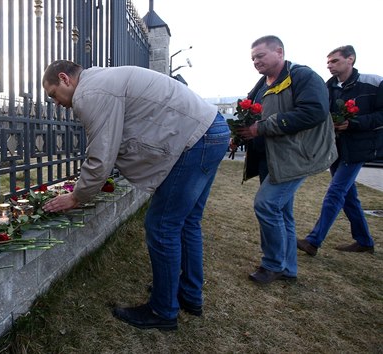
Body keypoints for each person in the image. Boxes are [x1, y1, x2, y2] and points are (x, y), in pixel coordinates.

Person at [41, 60, 229, 330]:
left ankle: (163, 311)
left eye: (53, 94)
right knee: (186, 222)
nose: (56, 103)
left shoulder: (89, 93)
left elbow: (101, 156)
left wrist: (76, 197)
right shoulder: (101, 81)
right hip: (210, 130)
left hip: (195, 139)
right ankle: (188, 295)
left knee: (162, 226)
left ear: (65, 79)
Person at [237, 36, 337, 284]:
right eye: (252, 58)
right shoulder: (262, 84)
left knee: (266, 204)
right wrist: (239, 135)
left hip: (294, 158)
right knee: (282, 212)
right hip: (269, 158)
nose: (255, 61)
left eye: (260, 56)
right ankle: (289, 269)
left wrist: (262, 128)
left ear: (279, 52)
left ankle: (272, 265)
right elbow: (250, 116)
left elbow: (313, 111)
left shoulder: (303, 76)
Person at [297, 45, 382, 256]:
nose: (329, 65)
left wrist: (353, 123)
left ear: (350, 59)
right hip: (335, 148)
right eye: (328, 62)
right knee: (348, 195)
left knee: (336, 192)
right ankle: (364, 241)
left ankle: (313, 241)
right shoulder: (328, 87)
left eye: (334, 61)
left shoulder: (373, 83)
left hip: (359, 148)